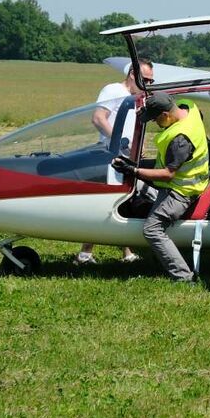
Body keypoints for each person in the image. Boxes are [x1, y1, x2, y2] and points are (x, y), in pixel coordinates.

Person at [112, 92, 210, 284]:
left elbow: (168, 174)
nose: (155, 123)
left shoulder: (180, 139)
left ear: (166, 115)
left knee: (152, 229)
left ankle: (184, 277)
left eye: (156, 119)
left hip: (182, 191)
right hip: (183, 181)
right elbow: (198, 112)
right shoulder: (187, 107)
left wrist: (134, 170)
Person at [74, 57, 154, 266]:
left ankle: (125, 252)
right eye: (146, 79)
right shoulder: (112, 90)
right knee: (109, 203)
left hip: (128, 155)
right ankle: (86, 253)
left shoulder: (137, 97)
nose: (149, 84)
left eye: (151, 81)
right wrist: (120, 144)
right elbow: (98, 118)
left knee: (123, 201)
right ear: (132, 75)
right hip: (113, 156)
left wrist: (139, 144)